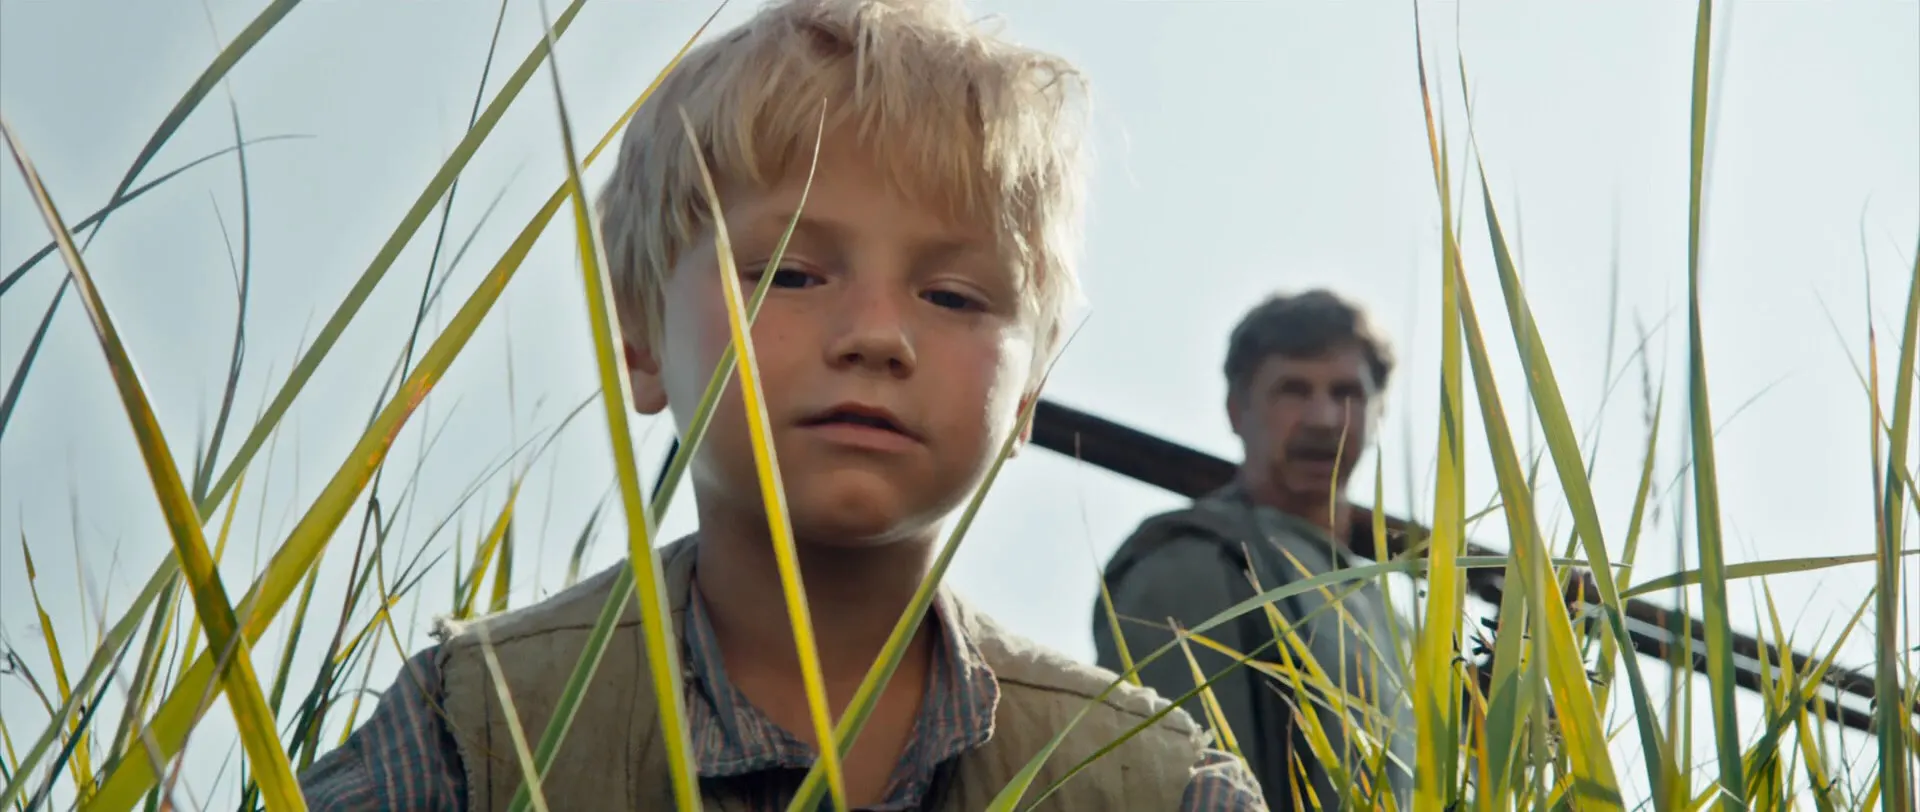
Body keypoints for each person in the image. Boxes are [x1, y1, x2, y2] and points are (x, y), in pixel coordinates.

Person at [297, 1, 1266, 809]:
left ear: (1029, 395)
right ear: (640, 342)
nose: (877, 335)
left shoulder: (1150, 778)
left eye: (952, 296)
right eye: (790, 274)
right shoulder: (473, 726)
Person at [1092, 290, 1416, 810]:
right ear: (1236, 410)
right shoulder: (1193, 560)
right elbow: (1172, 790)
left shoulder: (1384, 612)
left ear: (1378, 413)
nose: (1323, 418)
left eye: (1347, 392)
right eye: (1293, 390)